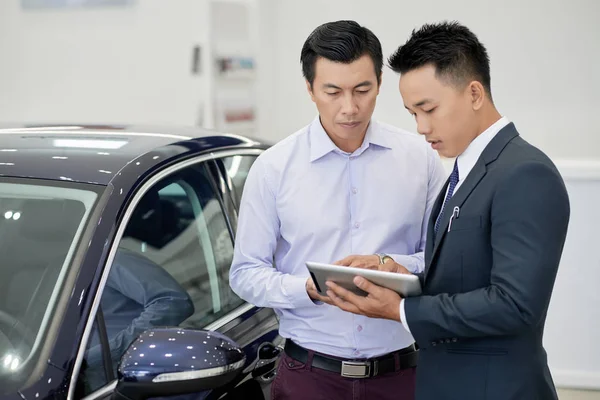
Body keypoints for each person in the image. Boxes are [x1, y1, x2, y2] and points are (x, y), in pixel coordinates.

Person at [325, 21, 570, 400]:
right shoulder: (464, 168)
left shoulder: (525, 172)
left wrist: (403, 310)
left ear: (474, 93)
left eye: (429, 109)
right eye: (412, 114)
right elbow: (464, 273)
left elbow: (516, 304)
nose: (422, 127)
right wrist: (400, 272)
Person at [229, 20, 446, 400]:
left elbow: (441, 259)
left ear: (380, 83)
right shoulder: (274, 168)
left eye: (363, 89)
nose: (350, 108)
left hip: (400, 373)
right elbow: (246, 274)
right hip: (308, 375)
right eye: (333, 91)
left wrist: (393, 266)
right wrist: (307, 289)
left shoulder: (420, 159)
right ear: (310, 89)